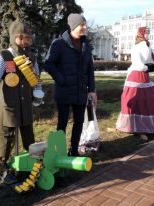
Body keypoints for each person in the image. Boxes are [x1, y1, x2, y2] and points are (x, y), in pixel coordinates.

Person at [0, 19, 43, 184]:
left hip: (26, 105)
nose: (27, 41)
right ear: (15, 37)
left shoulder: (32, 57)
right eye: (23, 37)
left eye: (29, 38)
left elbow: (36, 78)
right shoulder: (4, 56)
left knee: (29, 136)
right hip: (8, 106)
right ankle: (3, 167)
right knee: (6, 137)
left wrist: (38, 92)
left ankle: (31, 163)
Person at [43, 13, 97, 156]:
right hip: (64, 92)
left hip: (81, 91)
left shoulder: (86, 46)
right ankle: (60, 152)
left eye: (85, 24)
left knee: (79, 122)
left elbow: (90, 69)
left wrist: (92, 90)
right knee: (62, 123)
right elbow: (48, 64)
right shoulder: (59, 44)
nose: (85, 27)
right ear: (73, 26)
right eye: (82, 25)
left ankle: (73, 151)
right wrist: (62, 80)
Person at [116, 27, 154, 140]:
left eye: (149, 33)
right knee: (138, 100)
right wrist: (147, 67)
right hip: (137, 75)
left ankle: (149, 126)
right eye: (147, 33)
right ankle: (138, 127)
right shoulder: (138, 46)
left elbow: (147, 60)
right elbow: (138, 63)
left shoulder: (147, 45)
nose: (148, 34)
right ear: (141, 34)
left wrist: (152, 64)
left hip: (144, 75)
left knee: (152, 99)